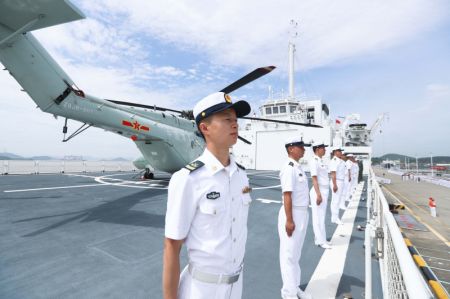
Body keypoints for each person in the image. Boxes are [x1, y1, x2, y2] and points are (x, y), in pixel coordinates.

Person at [162, 92, 252, 299]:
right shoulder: (188, 179)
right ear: (205, 128)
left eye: (236, 119)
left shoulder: (241, 175)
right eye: (227, 119)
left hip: (236, 286)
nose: (235, 124)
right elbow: (171, 246)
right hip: (203, 290)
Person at [278, 137, 313, 299]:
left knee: (296, 254)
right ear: (291, 148)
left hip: (302, 213)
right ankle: (288, 293)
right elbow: (287, 195)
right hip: (292, 215)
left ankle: (295, 287)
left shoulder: (298, 167)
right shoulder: (289, 167)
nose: (304, 149)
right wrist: (289, 220)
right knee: (288, 255)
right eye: (300, 147)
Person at [309, 141, 331, 249]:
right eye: (323, 148)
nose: (325, 150)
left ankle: (321, 238)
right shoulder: (314, 161)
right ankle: (320, 241)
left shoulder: (320, 161)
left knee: (321, 216)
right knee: (318, 217)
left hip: (324, 191)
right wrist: (318, 194)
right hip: (319, 191)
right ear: (317, 149)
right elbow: (314, 178)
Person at [328, 147, 345, 225]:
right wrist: (335, 185)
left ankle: (334, 218)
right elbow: (333, 173)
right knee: (335, 200)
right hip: (337, 181)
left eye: (341, 151)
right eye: (339, 151)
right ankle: (335, 218)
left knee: (337, 200)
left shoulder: (340, 160)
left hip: (340, 181)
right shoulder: (334, 161)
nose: (341, 152)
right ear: (335, 152)